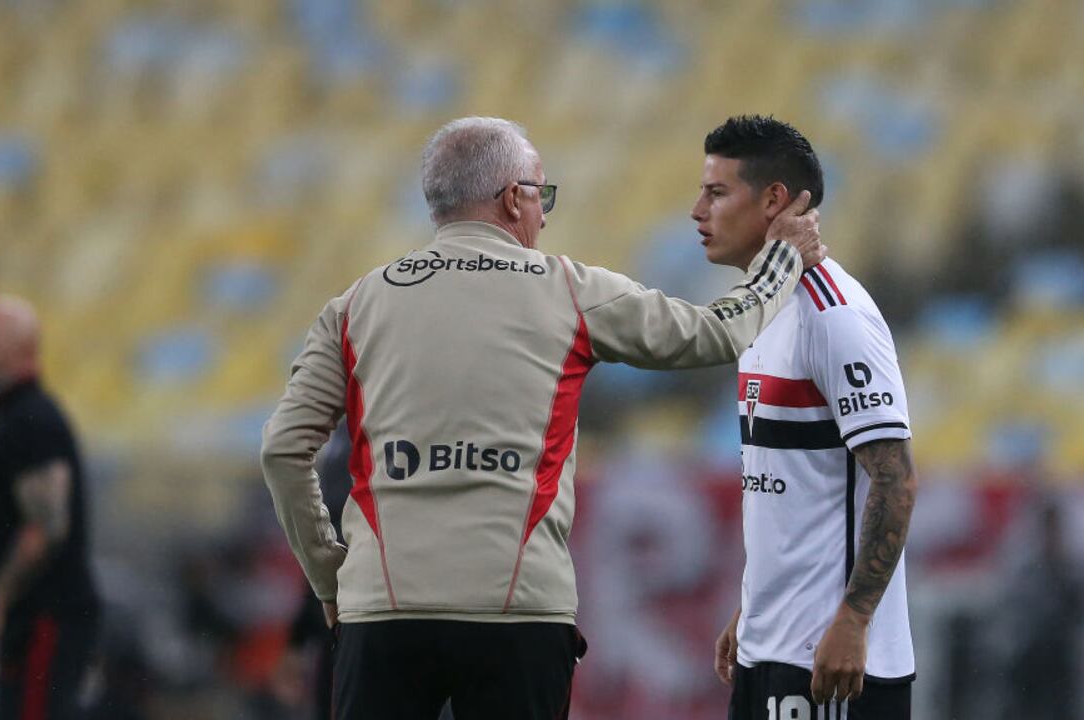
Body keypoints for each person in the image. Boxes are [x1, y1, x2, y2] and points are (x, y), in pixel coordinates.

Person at [260, 116, 824, 720]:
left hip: (383, 608)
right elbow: (715, 333)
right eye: (540, 196)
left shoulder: (355, 305)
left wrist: (329, 574)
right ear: (512, 199)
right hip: (518, 610)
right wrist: (781, 259)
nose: (544, 215)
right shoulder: (570, 290)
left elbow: (283, 451)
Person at [699, 116, 919, 720]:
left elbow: (895, 481)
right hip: (769, 646)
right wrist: (753, 607)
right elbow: (792, 485)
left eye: (717, 193)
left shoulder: (834, 314)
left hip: (830, 660)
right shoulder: (761, 310)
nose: (698, 211)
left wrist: (853, 621)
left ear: (773, 200)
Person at [0, 295, 101, 719]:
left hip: (47, 618)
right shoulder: (14, 416)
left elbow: (46, 527)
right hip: (33, 618)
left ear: (18, 350)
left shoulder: (32, 419)